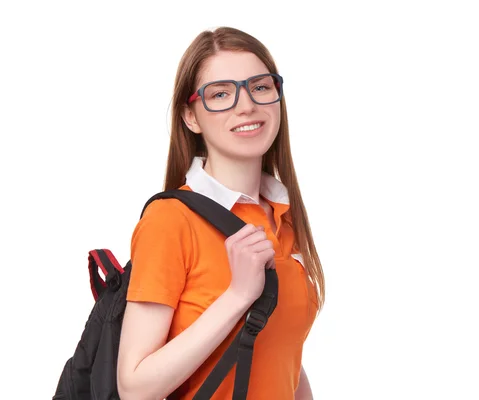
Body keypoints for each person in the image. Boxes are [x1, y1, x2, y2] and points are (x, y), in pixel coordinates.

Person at [115, 26, 325, 400]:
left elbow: (281, 354)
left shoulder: (283, 214)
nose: (246, 105)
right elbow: (134, 387)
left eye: (260, 87)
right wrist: (238, 295)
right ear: (191, 117)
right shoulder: (170, 220)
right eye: (220, 94)